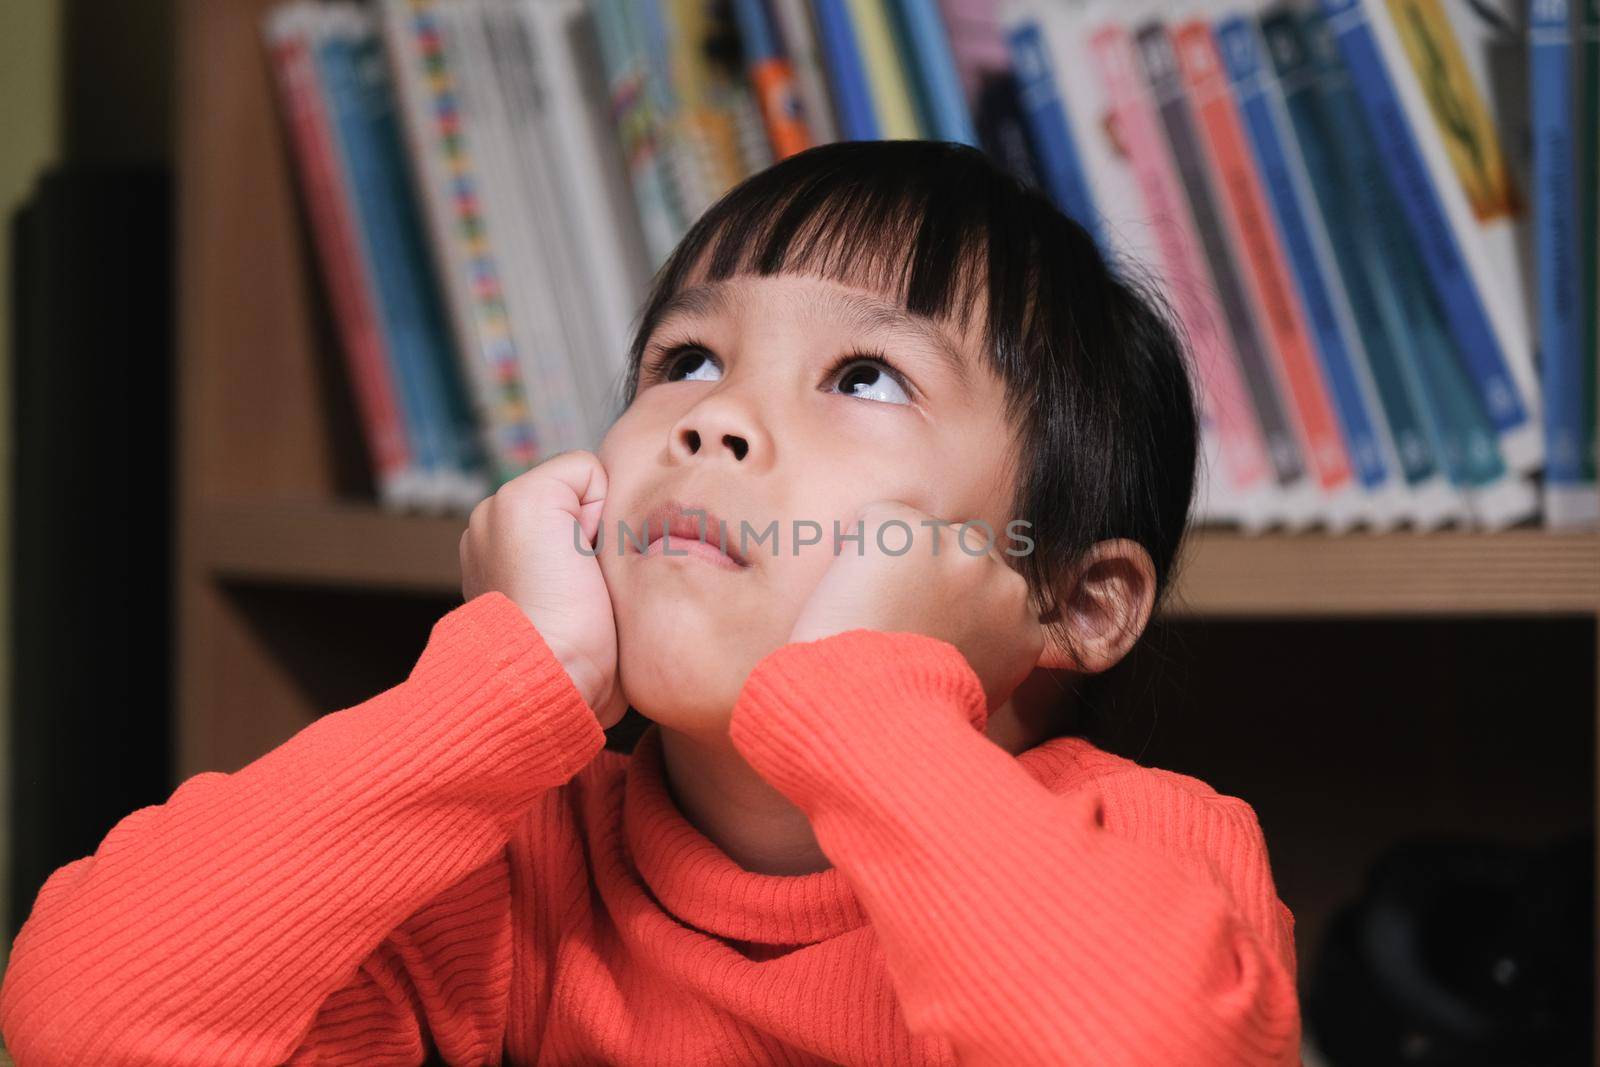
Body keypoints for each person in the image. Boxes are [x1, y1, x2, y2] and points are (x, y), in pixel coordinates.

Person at [0, 139, 1301, 1065]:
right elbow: (87, 1019)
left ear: (1076, 602)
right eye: (685, 360)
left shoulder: (1145, 850)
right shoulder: (520, 874)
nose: (716, 420)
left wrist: (865, 703)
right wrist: (503, 686)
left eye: (865, 378)